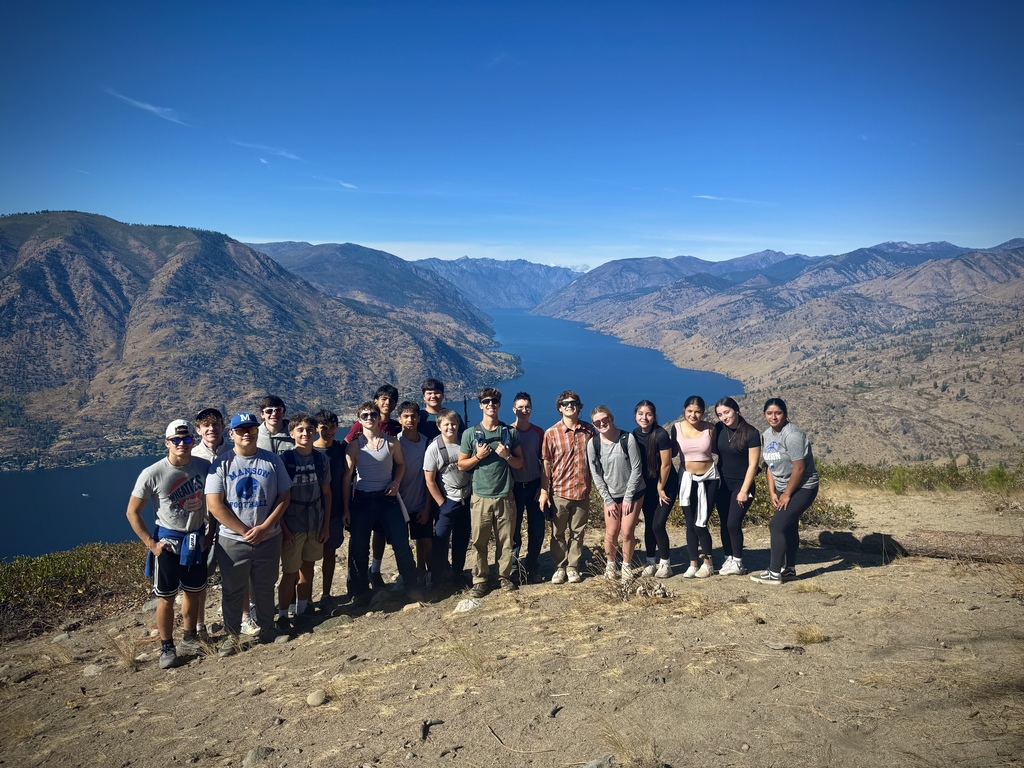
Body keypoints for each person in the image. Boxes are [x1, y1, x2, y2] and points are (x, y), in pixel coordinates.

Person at [125, 420, 211, 669]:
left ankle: (189, 636)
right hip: (168, 543)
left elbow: (214, 502)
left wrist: (211, 531)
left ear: (192, 441)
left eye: (186, 440)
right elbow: (132, 512)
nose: (182, 444)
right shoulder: (152, 473)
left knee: (194, 592)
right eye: (176, 440)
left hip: (196, 538)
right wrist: (151, 544)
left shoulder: (204, 467)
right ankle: (166, 646)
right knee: (166, 597)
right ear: (167, 443)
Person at [205, 412, 292, 657]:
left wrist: (265, 528)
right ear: (230, 434)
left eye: (252, 430)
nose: (247, 434)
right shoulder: (221, 464)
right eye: (241, 430)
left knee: (265, 587)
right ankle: (231, 636)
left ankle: (267, 628)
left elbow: (284, 496)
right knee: (233, 589)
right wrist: (244, 530)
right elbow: (214, 504)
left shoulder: (273, 461)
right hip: (232, 541)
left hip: (269, 537)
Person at [343, 401, 422, 605]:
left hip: (387, 499)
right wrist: (346, 508)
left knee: (401, 545)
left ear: (379, 417)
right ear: (359, 420)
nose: (369, 418)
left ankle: (412, 588)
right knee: (359, 549)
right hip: (362, 501)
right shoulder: (354, 446)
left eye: (373, 415)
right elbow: (347, 478)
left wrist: (396, 482)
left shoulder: (392, 443)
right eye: (365, 416)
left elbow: (401, 464)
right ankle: (360, 593)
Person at [458, 388, 523, 597]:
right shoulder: (470, 434)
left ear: (499, 403)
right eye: (486, 401)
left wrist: (507, 456)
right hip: (480, 497)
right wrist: (477, 457)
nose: (490, 404)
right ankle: (480, 579)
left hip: (505, 495)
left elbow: (520, 463)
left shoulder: (510, 432)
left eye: (494, 401)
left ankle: (504, 577)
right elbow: (461, 465)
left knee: (506, 540)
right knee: (479, 541)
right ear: (480, 405)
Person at [750, 398, 820, 586]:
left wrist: (787, 494)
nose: (774, 417)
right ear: (764, 414)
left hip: (803, 487)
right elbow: (770, 465)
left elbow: (799, 468)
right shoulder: (767, 435)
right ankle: (789, 569)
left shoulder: (793, 435)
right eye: (769, 413)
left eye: (778, 413)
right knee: (788, 526)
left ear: (785, 413)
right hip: (782, 488)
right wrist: (773, 491)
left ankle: (774, 573)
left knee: (777, 525)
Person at [277, 414, 332, 632]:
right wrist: (284, 529)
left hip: (315, 523)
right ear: (291, 434)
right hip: (293, 524)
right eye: (300, 430)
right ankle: (282, 615)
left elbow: (327, 493)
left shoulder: (321, 460)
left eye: (309, 430)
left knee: (308, 567)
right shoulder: (285, 460)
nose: (305, 433)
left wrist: (325, 525)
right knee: (290, 572)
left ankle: (301, 611)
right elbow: (279, 497)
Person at [343, 385, 400, 591]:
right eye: (383, 399)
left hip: (387, 492)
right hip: (363, 494)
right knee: (359, 539)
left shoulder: (395, 427)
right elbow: (348, 450)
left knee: (381, 533)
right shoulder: (361, 427)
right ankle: (355, 581)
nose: (387, 403)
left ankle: (374, 571)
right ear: (376, 401)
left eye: (392, 401)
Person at [539, 390, 595, 585]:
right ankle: (560, 567)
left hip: (582, 491)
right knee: (557, 533)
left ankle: (573, 567)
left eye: (573, 402)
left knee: (578, 532)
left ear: (579, 406)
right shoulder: (551, 433)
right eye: (565, 403)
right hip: (560, 492)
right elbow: (546, 464)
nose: (569, 405)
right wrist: (544, 492)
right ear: (559, 408)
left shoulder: (589, 431)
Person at [587, 406, 645, 581]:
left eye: (605, 419)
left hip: (633, 493)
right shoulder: (593, 444)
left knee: (627, 531)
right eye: (598, 422)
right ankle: (610, 565)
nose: (602, 423)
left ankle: (626, 565)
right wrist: (608, 500)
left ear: (611, 418)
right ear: (594, 425)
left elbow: (636, 468)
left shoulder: (627, 439)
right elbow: (595, 473)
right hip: (611, 495)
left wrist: (628, 498)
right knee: (611, 532)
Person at [191, 407, 232, 638]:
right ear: (198, 429)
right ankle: (199, 626)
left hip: (232, 525)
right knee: (200, 580)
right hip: (203, 527)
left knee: (236, 575)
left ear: (223, 427)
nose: (211, 429)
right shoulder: (192, 455)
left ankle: (238, 619)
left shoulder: (234, 450)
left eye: (215, 424)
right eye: (206, 425)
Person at [425, 408, 473, 590]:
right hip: (448, 501)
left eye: (453, 424)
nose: (450, 427)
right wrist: (442, 504)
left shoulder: (465, 442)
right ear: (439, 426)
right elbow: (429, 480)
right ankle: (437, 581)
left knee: (461, 539)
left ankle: (458, 574)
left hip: (466, 498)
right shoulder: (433, 449)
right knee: (441, 541)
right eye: (446, 424)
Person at [713, 397, 761, 576]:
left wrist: (744, 491)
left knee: (733, 523)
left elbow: (753, 465)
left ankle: (738, 562)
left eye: (727, 412)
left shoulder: (751, 433)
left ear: (736, 410)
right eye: (720, 414)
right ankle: (729, 558)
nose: (724, 417)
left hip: (742, 485)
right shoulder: (719, 429)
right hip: (722, 484)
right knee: (724, 523)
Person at [674, 396, 719, 578]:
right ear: (684, 410)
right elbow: (668, 453)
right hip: (686, 479)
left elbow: (721, 450)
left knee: (701, 523)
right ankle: (693, 563)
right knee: (690, 524)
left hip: (709, 480)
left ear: (703, 412)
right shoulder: (676, 428)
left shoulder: (711, 429)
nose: (693, 415)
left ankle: (708, 562)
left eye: (698, 411)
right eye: (690, 411)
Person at [632, 400, 678, 578]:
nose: (644, 417)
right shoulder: (634, 435)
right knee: (649, 524)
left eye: (648, 414)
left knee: (658, 524)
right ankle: (650, 561)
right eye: (641, 414)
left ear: (654, 416)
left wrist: (660, 487)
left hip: (666, 485)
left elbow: (666, 465)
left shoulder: (661, 435)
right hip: (647, 486)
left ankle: (666, 563)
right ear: (635, 416)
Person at [510, 392, 546, 583]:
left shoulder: (538, 432)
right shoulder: (507, 431)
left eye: (527, 407)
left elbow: (545, 462)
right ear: (513, 409)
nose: (524, 411)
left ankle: (532, 565)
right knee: (513, 531)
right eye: (520, 407)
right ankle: (515, 569)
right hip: (514, 488)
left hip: (534, 486)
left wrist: (543, 487)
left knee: (537, 528)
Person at [396, 400, 434, 583]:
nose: (410, 419)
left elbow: (429, 478)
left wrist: (427, 508)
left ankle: (428, 575)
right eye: (406, 416)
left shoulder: (426, 443)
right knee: (402, 546)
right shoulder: (394, 444)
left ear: (419, 418)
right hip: (400, 506)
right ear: (400, 419)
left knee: (426, 541)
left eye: (413, 416)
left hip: (420, 504)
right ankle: (408, 579)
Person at [313, 409, 347, 606]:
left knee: (330, 553)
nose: (328, 431)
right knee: (306, 560)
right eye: (324, 428)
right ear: (317, 428)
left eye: (332, 427)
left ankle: (326, 594)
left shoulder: (341, 448)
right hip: (312, 513)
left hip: (335, 510)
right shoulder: (310, 451)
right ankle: (304, 600)